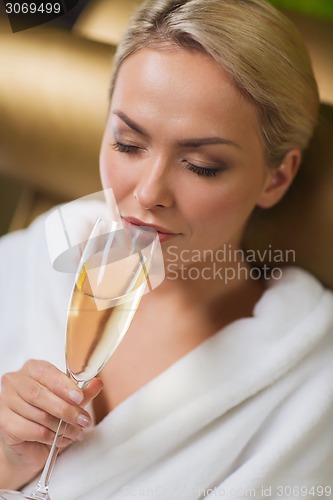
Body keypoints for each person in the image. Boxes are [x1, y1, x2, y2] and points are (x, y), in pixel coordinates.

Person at [0, 0, 332, 498]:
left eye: (201, 165)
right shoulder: (31, 264)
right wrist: (7, 460)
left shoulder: (311, 387)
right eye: (128, 144)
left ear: (277, 177)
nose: (150, 191)